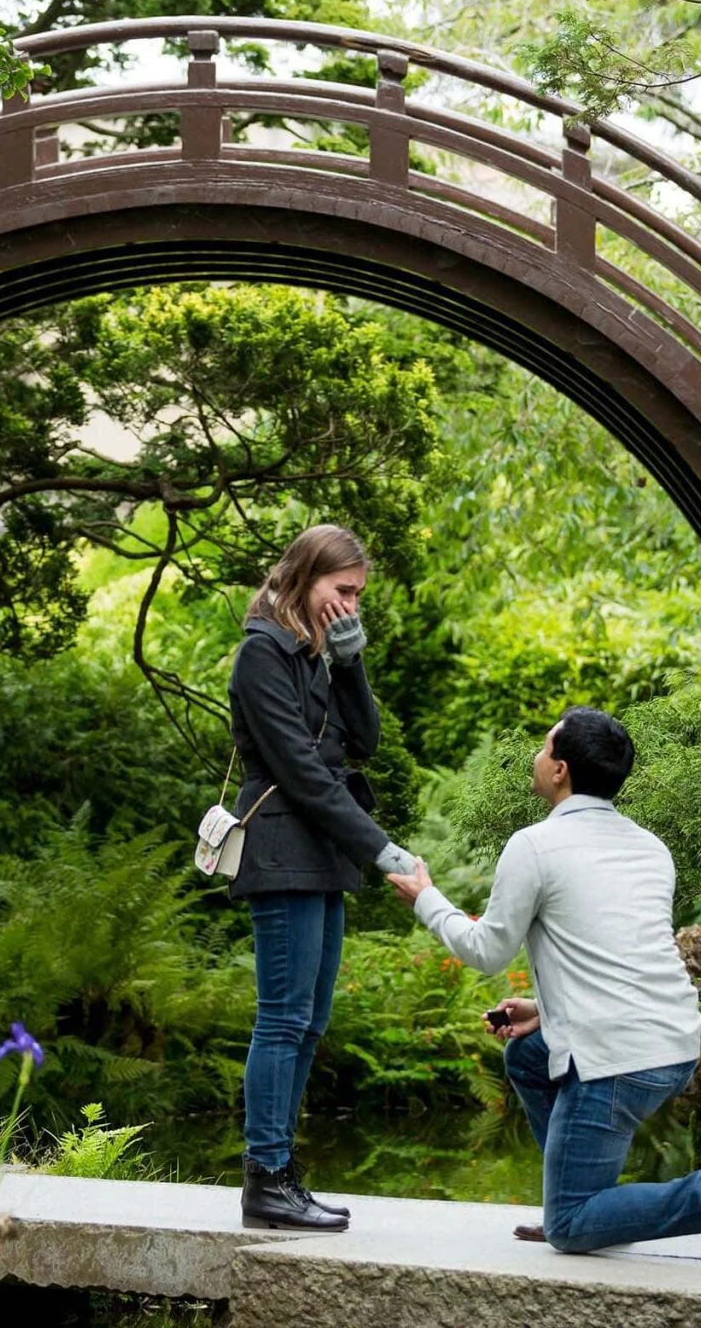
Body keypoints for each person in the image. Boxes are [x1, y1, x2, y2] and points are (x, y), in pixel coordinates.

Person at [385, 707, 701, 1266]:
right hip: (675, 1042)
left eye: (544, 748)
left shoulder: (535, 845)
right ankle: (581, 1193)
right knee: (526, 1054)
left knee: (568, 1226)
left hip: (616, 1056)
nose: (537, 758)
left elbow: (486, 951)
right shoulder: (650, 847)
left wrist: (426, 897)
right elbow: (615, 957)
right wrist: (545, 1014)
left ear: (561, 770)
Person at [227, 524, 420, 1233]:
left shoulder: (315, 653)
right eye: (342, 592)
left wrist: (352, 663)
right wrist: (382, 850)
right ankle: (266, 1177)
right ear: (305, 579)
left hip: (322, 858)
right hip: (282, 853)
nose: (350, 606)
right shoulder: (262, 655)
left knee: (309, 1022)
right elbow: (304, 775)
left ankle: (283, 1174)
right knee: (282, 1017)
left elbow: (364, 744)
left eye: (358, 597)